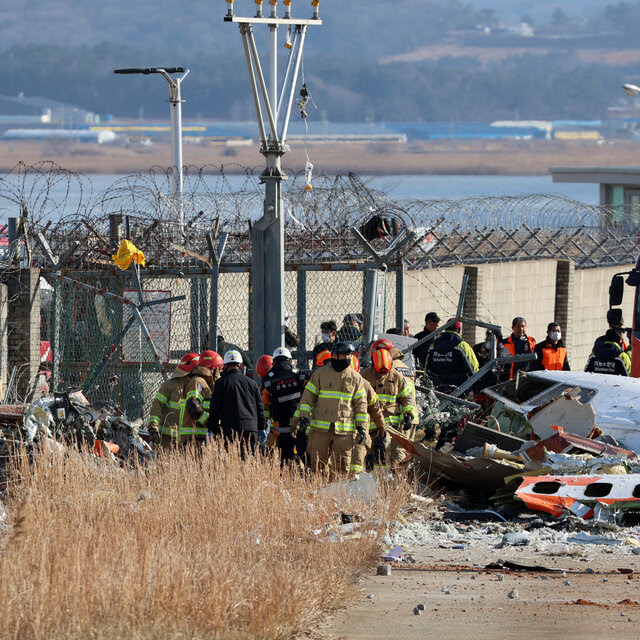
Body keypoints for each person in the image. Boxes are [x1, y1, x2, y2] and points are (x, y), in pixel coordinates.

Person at [298, 342, 368, 478]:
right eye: (344, 355)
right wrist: (304, 417)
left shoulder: (355, 378)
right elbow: (307, 399)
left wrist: (361, 427)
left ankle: (338, 494)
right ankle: (319, 492)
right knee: (317, 465)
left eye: (349, 355)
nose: (348, 358)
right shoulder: (320, 374)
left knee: (342, 467)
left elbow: (361, 405)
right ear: (335, 356)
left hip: (344, 431)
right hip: (320, 430)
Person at [361, 349, 415, 470]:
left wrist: (408, 414)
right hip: (371, 421)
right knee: (369, 453)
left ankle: (388, 477)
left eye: (385, 371)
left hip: (390, 422)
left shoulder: (396, 376)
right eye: (379, 371)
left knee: (387, 451)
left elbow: (406, 397)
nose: (382, 374)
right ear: (373, 365)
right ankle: (372, 476)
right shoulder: (364, 376)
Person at [208, 350, 266, 451]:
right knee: (249, 461)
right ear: (241, 365)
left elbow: (215, 409)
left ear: (225, 365)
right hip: (251, 429)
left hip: (230, 430)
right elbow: (260, 408)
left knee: (233, 461)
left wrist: (213, 429)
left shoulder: (221, 383)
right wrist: (261, 428)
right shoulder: (252, 383)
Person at [260, 347, 308, 465]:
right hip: (300, 422)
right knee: (303, 453)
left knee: (285, 456)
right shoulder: (300, 375)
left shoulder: (268, 380)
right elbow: (311, 393)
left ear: (274, 362)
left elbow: (263, 401)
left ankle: (286, 475)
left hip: (280, 424)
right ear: (290, 360)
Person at [148, 353, 199, 447]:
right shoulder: (170, 385)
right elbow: (157, 407)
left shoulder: (199, 387)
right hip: (168, 438)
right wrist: (153, 427)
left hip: (189, 439)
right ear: (192, 370)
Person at [348, 354, 385, 474]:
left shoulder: (332, 383)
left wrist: (381, 428)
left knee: (349, 464)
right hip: (358, 431)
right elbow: (376, 409)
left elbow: (375, 408)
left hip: (344, 431)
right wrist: (381, 428)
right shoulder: (365, 384)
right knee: (355, 463)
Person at [425, 319, 479, 392]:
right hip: (459, 389)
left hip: (437, 388)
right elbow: (473, 368)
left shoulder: (433, 345)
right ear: (459, 330)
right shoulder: (462, 345)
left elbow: (427, 368)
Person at [181, 351, 218, 446]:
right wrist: (210, 422)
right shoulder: (197, 382)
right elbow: (193, 405)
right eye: (218, 370)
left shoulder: (204, 383)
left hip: (199, 439)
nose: (219, 374)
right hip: (192, 440)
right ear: (211, 368)